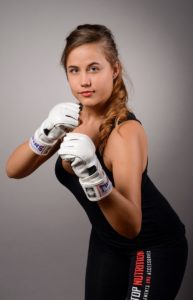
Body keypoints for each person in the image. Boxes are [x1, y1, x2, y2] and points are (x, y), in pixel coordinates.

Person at [6, 24, 188, 300]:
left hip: (152, 245)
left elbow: (132, 226)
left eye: (94, 68)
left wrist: (93, 174)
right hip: (106, 241)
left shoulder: (125, 132)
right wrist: (45, 132)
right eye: (74, 70)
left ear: (114, 69)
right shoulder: (68, 120)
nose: (84, 81)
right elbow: (13, 170)